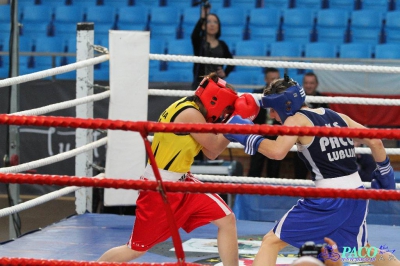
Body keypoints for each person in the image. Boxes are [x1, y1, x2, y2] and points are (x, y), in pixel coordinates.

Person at [224, 74, 398, 266]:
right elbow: (375, 140)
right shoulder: (337, 116)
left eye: (273, 110)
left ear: (286, 105)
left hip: (328, 198)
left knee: (271, 242)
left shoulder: (296, 120)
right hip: (357, 193)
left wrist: (245, 134)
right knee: (363, 249)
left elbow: (277, 152)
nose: (272, 115)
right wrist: (385, 171)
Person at [97, 72, 260, 264]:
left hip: (184, 183)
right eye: (226, 108)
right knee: (135, 249)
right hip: (161, 188)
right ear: (216, 100)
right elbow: (214, 149)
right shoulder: (191, 114)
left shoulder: (189, 107)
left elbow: (210, 152)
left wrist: (232, 123)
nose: (225, 113)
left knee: (227, 219)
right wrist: (235, 123)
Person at [293, 72, 330, 179]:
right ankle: (299, 194)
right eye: (306, 83)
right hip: (301, 142)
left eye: (311, 83)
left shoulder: (323, 100)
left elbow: (327, 121)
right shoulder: (296, 99)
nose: (308, 85)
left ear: (316, 84)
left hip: (319, 143)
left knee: (321, 175)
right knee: (299, 175)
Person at [191, 4, 235, 90]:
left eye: (215, 22)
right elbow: (194, 35)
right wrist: (203, 16)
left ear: (218, 27)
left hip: (217, 84)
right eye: (208, 22)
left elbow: (231, 62)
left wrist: (225, 72)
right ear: (203, 26)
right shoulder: (199, 42)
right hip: (200, 84)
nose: (212, 25)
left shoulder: (222, 44)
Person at [248, 67, 281, 178]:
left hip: (276, 135)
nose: (275, 82)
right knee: (255, 167)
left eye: (277, 79)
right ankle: (250, 193)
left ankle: (273, 194)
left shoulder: (284, 97)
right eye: (272, 79)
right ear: (266, 79)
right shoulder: (257, 94)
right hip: (259, 134)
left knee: (274, 169)